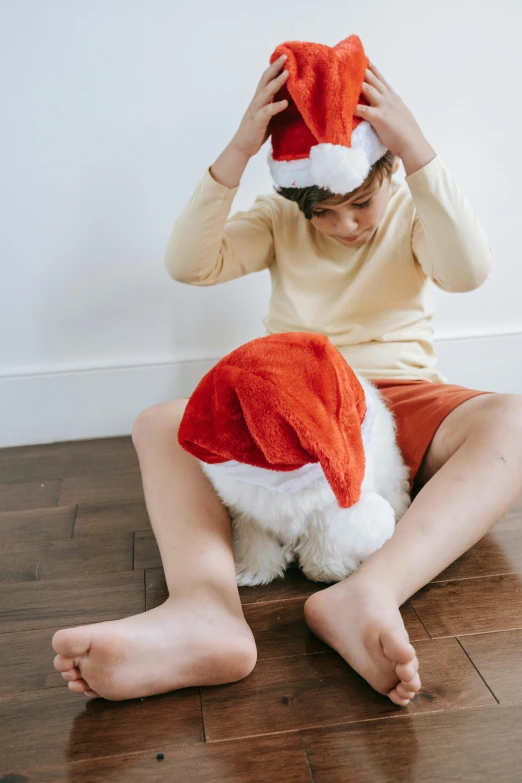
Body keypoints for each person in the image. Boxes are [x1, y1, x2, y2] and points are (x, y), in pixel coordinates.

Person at [52, 52, 522, 707]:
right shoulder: (277, 222)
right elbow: (189, 264)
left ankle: (371, 590)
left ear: (386, 167)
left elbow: (469, 270)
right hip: (297, 393)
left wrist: (414, 144)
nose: (345, 225)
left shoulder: (414, 209)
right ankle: (204, 608)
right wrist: (241, 149)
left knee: (514, 420)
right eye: (322, 214)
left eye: (360, 203)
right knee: (161, 421)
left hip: (402, 390)